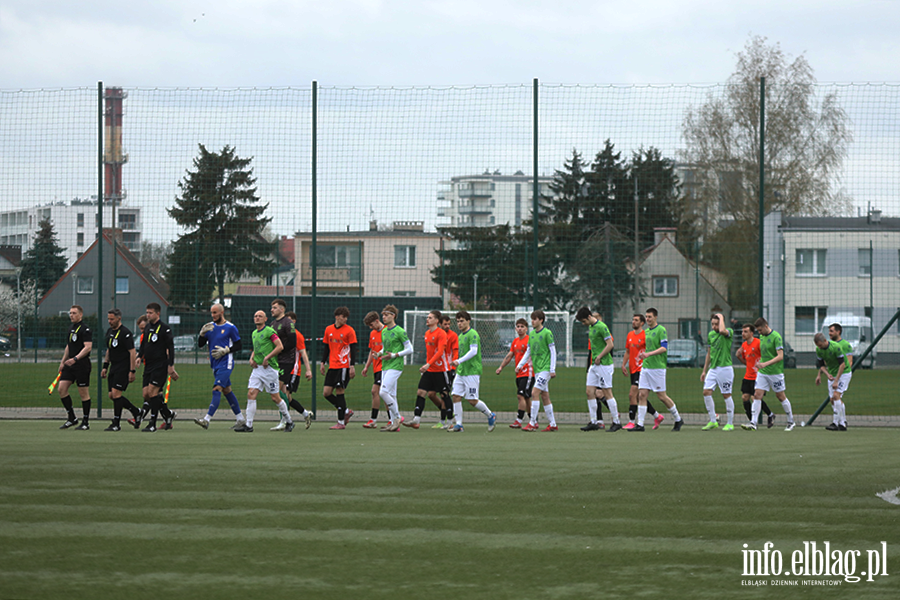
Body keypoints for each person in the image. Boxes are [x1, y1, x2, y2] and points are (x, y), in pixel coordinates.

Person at [193, 303, 246, 430]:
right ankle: (240, 419)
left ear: (222, 312)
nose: (213, 315)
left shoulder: (230, 327)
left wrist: (226, 350)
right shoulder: (210, 327)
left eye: (215, 312)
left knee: (217, 389)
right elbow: (200, 345)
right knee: (227, 390)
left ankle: (206, 419)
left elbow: (239, 345)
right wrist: (201, 334)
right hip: (214, 364)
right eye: (211, 313)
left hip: (226, 363)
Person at [631, 308, 684, 432]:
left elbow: (664, 348)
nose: (648, 319)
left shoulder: (661, 330)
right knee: (642, 394)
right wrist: (642, 354)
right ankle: (640, 424)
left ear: (655, 317)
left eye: (649, 317)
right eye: (646, 317)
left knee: (662, 397)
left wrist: (648, 354)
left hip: (658, 369)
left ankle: (678, 419)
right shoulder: (647, 332)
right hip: (646, 368)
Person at [235, 310, 286, 432]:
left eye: (260, 316)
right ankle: (249, 425)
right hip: (258, 369)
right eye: (255, 316)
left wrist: (267, 358)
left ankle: (288, 420)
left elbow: (280, 346)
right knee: (251, 393)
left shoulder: (269, 331)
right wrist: (252, 358)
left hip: (270, 369)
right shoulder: (254, 333)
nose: (257, 318)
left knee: (275, 398)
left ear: (265, 319)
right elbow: (256, 349)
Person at [743, 317, 795, 432]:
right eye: (758, 331)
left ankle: (791, 421)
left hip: (775, 372)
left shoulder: (776, 337)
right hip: (763, 372)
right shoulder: (762, 337)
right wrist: (760, 362)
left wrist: (765, 363)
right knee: (757, 395)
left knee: (780, 396)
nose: (759, 333)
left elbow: (780, 356)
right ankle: (753, 423)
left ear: (766, 326)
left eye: (760, 330)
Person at [448, 310, 496, 432]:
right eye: (458, 321)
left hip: (472, 371)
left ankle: (490, 415)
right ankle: (459, 424)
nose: (459, 324)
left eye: (462, 321)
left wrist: (459, 360)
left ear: (468, 321)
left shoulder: (473, 334)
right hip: (461, 371)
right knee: (455, 396)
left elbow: (473, 351)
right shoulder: (460, 336)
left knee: (472, 400)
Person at [576, 307, 621, 432]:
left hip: (604, 365)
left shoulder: (602, 327)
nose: (583, 324)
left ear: (589, 317)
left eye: (584, 321)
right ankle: (594, 421)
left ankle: (616, 422)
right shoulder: (591, 327)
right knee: (589, 392)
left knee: (607, 393)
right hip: (594, 365)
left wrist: (600, 356)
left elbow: (610, 345)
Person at [136, 303, 178, 432]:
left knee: (152, 392)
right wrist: (139, 356)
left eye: (150, 313)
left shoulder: (165, 329)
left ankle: (152, 423)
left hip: (160, 365)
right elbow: (144, 345)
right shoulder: (148, 327)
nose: (148, 315)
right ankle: (168, 414)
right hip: (148, 365)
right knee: (147, 394)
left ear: (157, 313)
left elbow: (170, 348)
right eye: (147, 312)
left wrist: (170, 366)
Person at [405, 310, 450, 429]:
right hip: (429, 370)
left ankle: (448, 421)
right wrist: (427, 365)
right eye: (427, 317)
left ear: (436, 320)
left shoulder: (441, 333)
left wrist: (428, 364)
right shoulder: (427, 334)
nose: (427, 319)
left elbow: (440, 352)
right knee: (421, 392)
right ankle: (416, 419)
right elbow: (430, 353)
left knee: (444, 395)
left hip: (440, 369)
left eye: (430, 317)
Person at [516, 310, 558, 432]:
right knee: (544, 396)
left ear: (541, 320)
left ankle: (532, 423)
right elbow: (528, 351)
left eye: (534, 319)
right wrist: (520, 365)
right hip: (538, 370)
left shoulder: (547, 333)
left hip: (545, 369)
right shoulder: (532, 334)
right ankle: (553, 424)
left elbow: (553, 351)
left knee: (534, 393)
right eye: (531, 319)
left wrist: (552, 369)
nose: (532, 321)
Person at [100, 308, 141, 431]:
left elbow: (132, 352)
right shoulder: (109, 332)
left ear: (119, 318)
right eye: (108, 319)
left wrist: (132, 370)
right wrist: (105, 367)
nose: (109, 321)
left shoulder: (125, 333)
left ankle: (116, 423)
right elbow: (109, 350)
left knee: (117, 394)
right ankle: (136, 411)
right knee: (112, 395)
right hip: (114, 366)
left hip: (123, 367)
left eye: (112, 319)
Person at [621, 314, 663, 430]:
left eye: (636, 320)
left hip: (641, 368)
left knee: (632, 394)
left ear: (642, 323)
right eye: (633, 319)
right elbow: (628, 352)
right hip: (633, 369)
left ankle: (632, 421)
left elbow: (651, 349)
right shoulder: (630, 335)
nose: (633, 322)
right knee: (640, 397)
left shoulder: (646, 335)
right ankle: (657, 416)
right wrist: (623, 364)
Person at [376, 305, 413, 432]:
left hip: (396, 366)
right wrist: (380, 353)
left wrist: (395, 355)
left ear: (393, 316)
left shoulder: (400, 331)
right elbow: (386, 348)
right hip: (385, 365)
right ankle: (393, 424)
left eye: (386, 315)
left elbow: (410, 349)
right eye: (383, 315)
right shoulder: (384, 331)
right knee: (392, 394)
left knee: (383, 392)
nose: (384, 317)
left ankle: (397, 417)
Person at [320, 306, 358, 430]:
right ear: (337, 317)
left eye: (346, 317)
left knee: (339, 391)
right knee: (326, 393)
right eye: (343, 317)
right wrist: (322, 362)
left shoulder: (349, 330)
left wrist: (352, 366)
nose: (345, 319)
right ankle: (346, 411)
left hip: (344, 366)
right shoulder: (328, 329)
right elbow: (326, 347)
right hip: (332, 366)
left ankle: (341, 422)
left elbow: (353, 349)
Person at [57, 305, 93, 430]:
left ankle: (86, 422)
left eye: (74, 313)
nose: (71, 315)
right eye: (70, 313)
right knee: (61, 389)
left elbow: (88, 347)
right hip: (69, 364)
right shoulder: (71, 328)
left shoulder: (85, 329)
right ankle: (72, 417)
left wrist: (76, 359)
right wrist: (63, 361)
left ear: (80, 314)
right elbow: (69, 346)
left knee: (83, 393)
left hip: (81, 365)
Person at [277, 311, 313, 429]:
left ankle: (284, 421)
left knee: (284, 395)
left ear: (294, 321)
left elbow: (303, 353)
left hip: (293, 370)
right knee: (287, 397)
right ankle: (306, 414)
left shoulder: (297, 335)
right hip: (282, 367)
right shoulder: (281, 335)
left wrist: (308, 370)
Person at [700, 312, 735, 431]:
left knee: (726, 394)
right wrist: (704, 370)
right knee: (706, 392)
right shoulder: (711, 334)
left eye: (717, 324)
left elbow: (722, 331)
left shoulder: (728, 331)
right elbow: (709, 353)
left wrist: (720, 316)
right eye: (713, 324)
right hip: (713, 369)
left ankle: (730, 423)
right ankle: (713, 421)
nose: (714, 327)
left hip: (725, 368)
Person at [496, 318, 534, 428]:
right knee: (526, 397)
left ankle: (519, 420)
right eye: (518, 326)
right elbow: (509, 356)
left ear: (526, 328)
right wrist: (501, 367)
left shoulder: (529, 340)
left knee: (520, 395)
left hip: (528, 372)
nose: (520, 329)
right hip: (519, 373)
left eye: (522, 326)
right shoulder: (515, 341)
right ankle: (533, 419)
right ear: (515, 328)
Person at [735, 323, 775, 428]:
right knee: (745, 397)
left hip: (758, 376)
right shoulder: (744, 345)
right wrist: (738, 356)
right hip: (748, 376)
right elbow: (746, 362)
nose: (743, 333)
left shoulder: (758, 343)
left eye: (746, 331)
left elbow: (765, 357)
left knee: (755, 398)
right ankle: (751, 420)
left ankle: (768, 415)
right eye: (742, 331)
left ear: (752, 333)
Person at [815, 323, 852, 431]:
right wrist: (824, 375)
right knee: (833, 399)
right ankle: (842, 422)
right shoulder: (819, 350)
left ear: (825, 341)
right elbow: (822, 365)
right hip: (832, 373)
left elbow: (843, 364)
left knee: (836, 395)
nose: (819, 348)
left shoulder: (837, 347)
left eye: (820, 345)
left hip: (844, 373)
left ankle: (836, 423)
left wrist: (837, 381)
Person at [269, 299, 298, 432]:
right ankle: (291, 418)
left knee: (279, 389)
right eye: (272, 307)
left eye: (274, 307)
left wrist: (279, 350)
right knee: (281, 390)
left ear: (282, 309)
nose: (272, 310)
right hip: (276, 361)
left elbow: (292, 342)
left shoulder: (288, 322)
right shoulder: (273, 324)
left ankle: (285, 421)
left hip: (286, 360)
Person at [362, 311, 385, 428]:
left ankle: (374, 420)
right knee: (384, 393)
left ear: (377, 321)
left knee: (376, 391)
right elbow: (372, 351)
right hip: (376, 368)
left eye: (371, 325)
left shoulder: (387, 331)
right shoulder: (372, 334)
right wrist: (366, 366)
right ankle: (393, 418)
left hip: (385, 367)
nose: (371, 328)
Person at [438, 315, 459, 428]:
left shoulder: (453, 335)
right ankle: (443, 420)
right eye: (445, 324)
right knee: (433, 394)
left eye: (448, 324)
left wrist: (454, 367)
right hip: (436, 368)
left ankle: (448, 421)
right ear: (440, 324)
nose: (447, 326)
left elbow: (455, 351)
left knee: (445, 394)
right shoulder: (436, 334)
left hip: (448, 368)